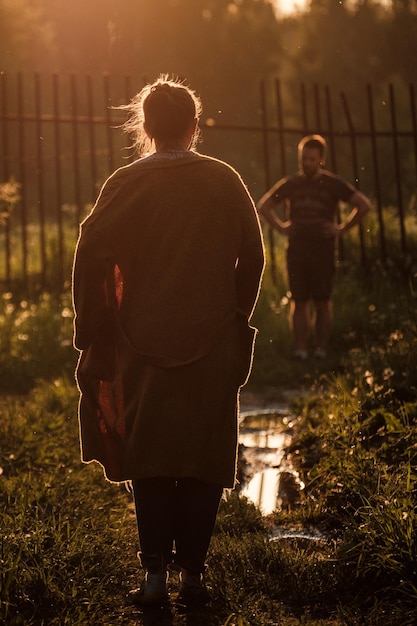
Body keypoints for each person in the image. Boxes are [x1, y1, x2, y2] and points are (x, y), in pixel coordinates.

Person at [72, 76, 264, 609]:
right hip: (212, 342)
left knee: (151, 458)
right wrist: (235, 315)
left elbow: (90, 250)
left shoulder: (126, 183)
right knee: (203, 457)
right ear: (194, 126)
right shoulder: (223, 179)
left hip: (141, 343)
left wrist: (93, 328)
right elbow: (254, 253)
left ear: (147, 128)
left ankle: (155, 578)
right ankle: (194, 579)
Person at [257, 134, 371, 360]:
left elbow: (363, 205)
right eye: (303, 158)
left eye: (311, 158)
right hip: (297, 249)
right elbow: (264, 205)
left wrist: (341, 228)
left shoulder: (333, 184)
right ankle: (300, 351)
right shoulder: (292, 183)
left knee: (322, 301)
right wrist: (281, 228)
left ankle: (321, 350)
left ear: (321, 159)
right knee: (299, 301)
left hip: (323, 250)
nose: (306, 163)